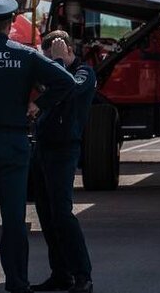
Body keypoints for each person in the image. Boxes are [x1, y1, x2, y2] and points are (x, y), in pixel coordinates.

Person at [0, 0, 74, 293]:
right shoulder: (26, 56)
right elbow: (66, 82)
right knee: (13, 217)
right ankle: (17, 282)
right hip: (13, 144)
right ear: (11, 24)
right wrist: (38, 104)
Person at [30, 31, 95, 293]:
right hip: (43, 147)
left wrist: (56, 64)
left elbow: (70, 88)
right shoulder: (52, 69)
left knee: (63, 214)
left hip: (64, 149)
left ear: (67, 49)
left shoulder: (84, 72)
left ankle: (82, 274)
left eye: (54, 55)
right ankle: (60, 273)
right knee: (46, 215)